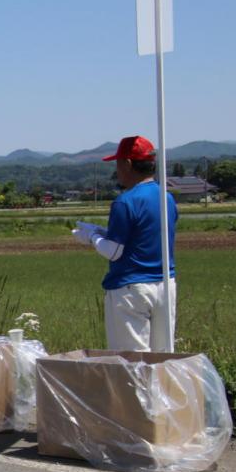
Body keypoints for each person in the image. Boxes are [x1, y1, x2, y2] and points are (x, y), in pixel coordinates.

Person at [72, 135, 177, 351]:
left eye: (118, 163)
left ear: (128, 164)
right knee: (163, 357)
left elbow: (113, 252)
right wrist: (103, 231)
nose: (117, 170)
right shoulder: (167, 197)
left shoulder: (125, 201)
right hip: (165, 284)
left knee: (132, 363)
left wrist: (91, 237)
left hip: (131, 288)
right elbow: (143, 235)